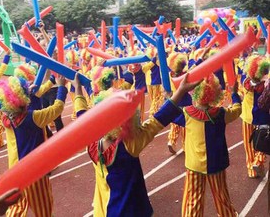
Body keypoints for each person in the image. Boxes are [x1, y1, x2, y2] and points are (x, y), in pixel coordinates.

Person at [72, 68, 199, 216]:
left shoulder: (92, 141)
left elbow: (82, 116)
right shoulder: (129, 145)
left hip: (104, 210)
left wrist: (78, 90)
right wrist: (180, 91)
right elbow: (158, 120)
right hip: (130, 210)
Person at [155, 73, 241, 216]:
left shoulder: (186, 114)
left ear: (195, 93)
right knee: (222, 197)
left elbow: (168, 113)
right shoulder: (220, 114)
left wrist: (169, 96)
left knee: (193, 201)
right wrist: (235, 94)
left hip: (194, 165)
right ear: (215, 94)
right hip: (216, 164)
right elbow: (237, 110)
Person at [0, 75, 68, 217]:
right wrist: (62, 87)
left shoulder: (6, 119)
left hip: (15, 170)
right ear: (22, 98)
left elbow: (18, 108)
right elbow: (57, 109)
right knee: (43, 207)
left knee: (17, 206)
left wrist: (28, 93)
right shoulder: (34, 117)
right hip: (34, 172)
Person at [240, 54, 269, 178]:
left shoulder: (245, 82)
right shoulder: (265, 86)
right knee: (262, 142)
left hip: (247, 118)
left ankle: (250, 169)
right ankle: (258, 160)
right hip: (262, 119)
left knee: (248, 145)